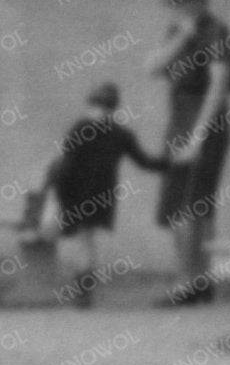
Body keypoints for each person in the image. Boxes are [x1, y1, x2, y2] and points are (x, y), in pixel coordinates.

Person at [149, 0, 230, 305]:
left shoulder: (215, 31)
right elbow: (152, 67)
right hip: (179, 121)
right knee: (181, 204)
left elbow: (218, 85)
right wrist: (181, 38)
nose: (178, 8)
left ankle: (190, 282)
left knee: (191, 205)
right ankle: (197, 280)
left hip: (204, 123)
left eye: (182, 2)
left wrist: (198, 137)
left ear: (198, 1)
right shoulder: (178, 32)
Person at [30, 81, 166, 306]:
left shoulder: (81, 128)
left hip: (75, 192)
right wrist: (172, 162)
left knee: (79, 240)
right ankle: (83, 289)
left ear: (91, 104)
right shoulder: (121, 134)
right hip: (102, 195)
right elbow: (145, 162)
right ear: (114, 107)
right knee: (86, 239)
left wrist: (53, 189)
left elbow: (66, 163)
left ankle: (81, 290)